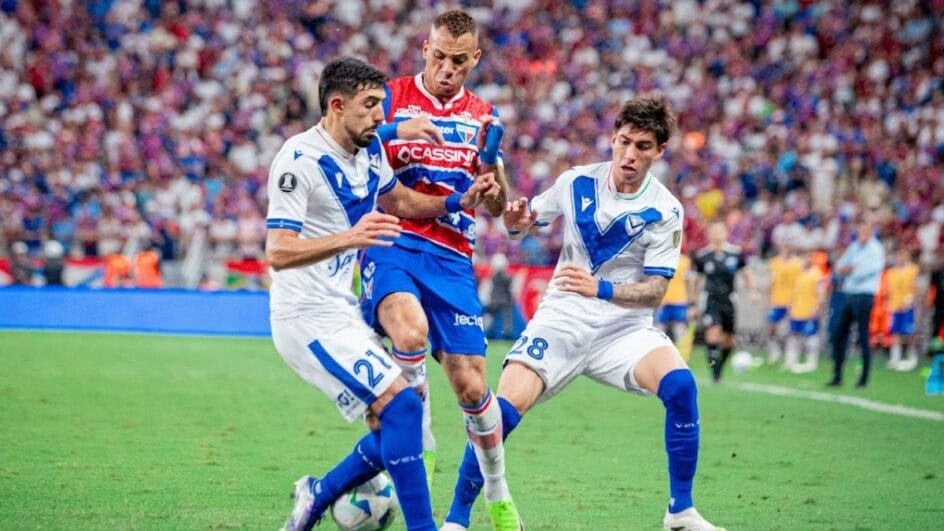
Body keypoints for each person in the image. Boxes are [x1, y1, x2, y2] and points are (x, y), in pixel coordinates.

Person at [442, 96, 725, 531]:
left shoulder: (665, 210)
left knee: (682, 386)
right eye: (625, 141)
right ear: (612, 138)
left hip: (623, 328)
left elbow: (655, 291)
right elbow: (519, 226)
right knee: (501, 412)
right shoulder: (575, 182)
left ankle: (680, 511)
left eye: (643, 146)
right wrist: (516, 218)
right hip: (564, 318)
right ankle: (457, 519)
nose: (630, 154)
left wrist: (603, 288)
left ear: (659, 151)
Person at [265, 57, 499, 531]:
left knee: (391, 424)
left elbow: (400, 202)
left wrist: (457, 201)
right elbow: (278, 251)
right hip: (303, 317)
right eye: (371, 106)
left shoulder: (370, 149)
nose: (380, 116)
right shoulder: (297, 161)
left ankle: (318, 494)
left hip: (340, 310)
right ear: (336, 105)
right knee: (405, 407)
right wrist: (350, 237)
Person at [358, 9, 521, 528]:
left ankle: (496, 490)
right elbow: (341, 137)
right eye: (439, 56)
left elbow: (496, 201)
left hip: (452, 256)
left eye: (459, 61)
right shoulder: (389, 97)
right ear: (423, 48)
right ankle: (421, 445)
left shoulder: (484, 118)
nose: (447, 68)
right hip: (393, 240)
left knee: (473, 390)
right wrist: (392, 127)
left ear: (473, 59)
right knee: (408, 332)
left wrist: (496, 193)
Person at [691, 221, 759, 383]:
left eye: (720, 230)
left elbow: (746, 272)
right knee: (713, 335)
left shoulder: (735, 253)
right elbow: (695, 280)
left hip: (729, 300)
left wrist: (753, 291)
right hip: (710, 299)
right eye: (713, 230)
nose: (717, 233)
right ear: (708, 234)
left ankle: (719, 366)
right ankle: (715, 374)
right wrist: (692, 304)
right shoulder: (702, 256)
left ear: (726, 233)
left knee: (729, 340)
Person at [828, 218, 885, 388]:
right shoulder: (854, 247)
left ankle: (863, 380)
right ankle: (837, 376)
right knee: (838, 335)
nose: (861, 235)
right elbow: (840, 265)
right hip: (850, 294)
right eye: (859, 232)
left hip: (864, 296)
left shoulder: (875, 249)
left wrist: (850, 269)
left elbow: (868, 271)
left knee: (863, 336)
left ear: (871, 232)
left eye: (864, 232)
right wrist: (850, 269)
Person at [784, 250, 826, 373]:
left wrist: (817, 307)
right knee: (793, 336)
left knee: (810, 336)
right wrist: (790, 306)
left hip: (809, 311)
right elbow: (794, 292)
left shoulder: (816, 273)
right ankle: (791, 361)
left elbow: (821, 292)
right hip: (797, 310)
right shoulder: (798, 274)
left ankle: (811, 361)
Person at [765, 242, 802, 364]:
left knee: (793, 330)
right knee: (771, 327)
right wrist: (769, 298)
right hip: (777, 300)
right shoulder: (775, 262)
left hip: (792, 301)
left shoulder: (798, 264)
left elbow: (800, 283)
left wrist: (797, 301)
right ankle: (775, 351)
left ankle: (792, 355)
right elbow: (771, 281)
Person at [886, 247, 920, 371]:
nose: (901, 258)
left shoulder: (913, 270)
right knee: (895, 332)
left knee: (909, 332)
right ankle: (895, 357)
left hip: (908, 306)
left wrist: (911, 299)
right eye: (899, 255)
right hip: (894, 306)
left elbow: (917, 287)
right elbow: (890, 290)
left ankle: (912, 357)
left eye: (904, 255)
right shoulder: (892, 272)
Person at [658, 252, 692, 344]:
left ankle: (680, 352)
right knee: (660, 328)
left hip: (679, 300)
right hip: (663, 300)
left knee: (680, 328)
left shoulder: (685, 261)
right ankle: (660, 349)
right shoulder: (660, 259)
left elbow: (689, 281)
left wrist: (691, 301)